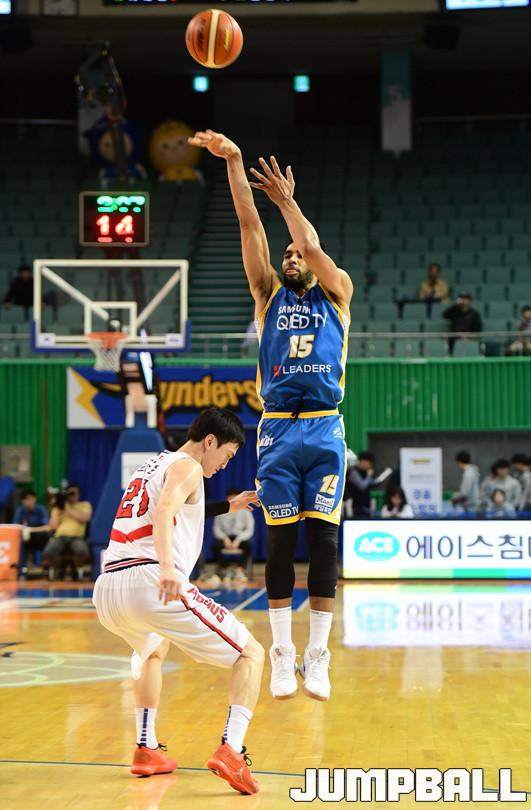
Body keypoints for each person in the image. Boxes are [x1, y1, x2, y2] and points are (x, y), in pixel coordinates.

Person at [189, 128, 354, 702]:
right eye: (285, 255)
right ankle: (283, 653)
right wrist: (234, 162)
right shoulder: (267, 295)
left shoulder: (337, 292)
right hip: (279, 427)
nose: (290, 257)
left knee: (324, 542)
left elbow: (307, 242)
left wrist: (288, 204)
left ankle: (318, 655)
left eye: (296, 253)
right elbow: (248, 226)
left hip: (325, 425)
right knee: (280, 544)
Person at [92, 408, 264, 795]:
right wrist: (169, 568)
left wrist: (229, 505)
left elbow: (180, 506)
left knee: (152, 649)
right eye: (227, 455)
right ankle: (232, 750)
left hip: (108, 588)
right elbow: (166, 510)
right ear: (210, 441)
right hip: (150, 579)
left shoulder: (154, 465)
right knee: (251, 653)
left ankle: (146, 747)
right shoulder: (188, 467)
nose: (225, 464)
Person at [42, 483, 92, 579]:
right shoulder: (58, 507)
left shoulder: (84, 505)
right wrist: (56, 509)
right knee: (48, 552)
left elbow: (84, 518)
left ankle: (75, 568)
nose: (71, 496)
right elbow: (53, 526)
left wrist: (67, 509)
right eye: (69, 494)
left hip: (77, 538)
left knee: (82, 551)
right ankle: (60, 568)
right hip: (60, 537)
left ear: (78, 494)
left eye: (74, 493)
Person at [212, 487, 255, 582]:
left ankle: (240, 570)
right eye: (230, 498)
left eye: (235, 497)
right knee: (215, 547)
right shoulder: (221, 511)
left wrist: (239, 539)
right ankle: (226, 569)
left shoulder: (245, 511)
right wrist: (224, 538)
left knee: (249, 546)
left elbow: (249, 530)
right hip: (226, 537)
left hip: (239, 537)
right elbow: (216, 529)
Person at [13, 489, 50, 575]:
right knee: (19, 539)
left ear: (34, 499)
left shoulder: (41, 509)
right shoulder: (20, 511)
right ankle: (20, 568)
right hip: (25, 539)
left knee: (44, 536)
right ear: (22, 501)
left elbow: (47, 527)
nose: (28, 501)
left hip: (40, 537)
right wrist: (24, 530)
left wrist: (30, 530)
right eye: (26, 499)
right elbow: (15, 527)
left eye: (30, 498)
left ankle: (43, 566)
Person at [345, 451, 392, 519]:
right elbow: (362, 486)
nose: (369, 466)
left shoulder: (365, 472)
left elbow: (369, 485)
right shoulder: (353, 471)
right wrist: (369, 476)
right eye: (369, 463)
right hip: (354, 506)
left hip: (365, 504)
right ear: (363, 461)